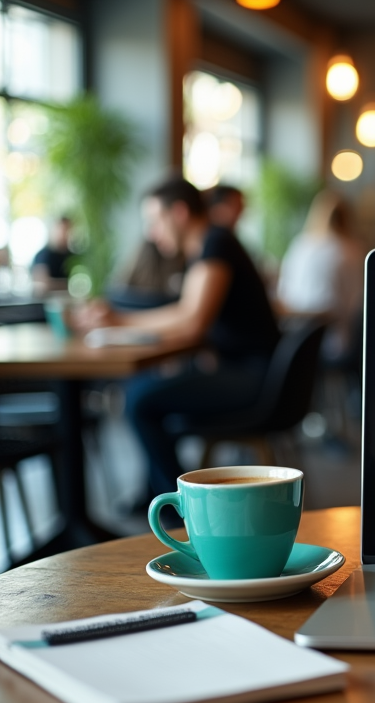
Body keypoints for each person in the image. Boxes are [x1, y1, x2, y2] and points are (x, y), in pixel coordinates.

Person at [74, 177, 280, 497]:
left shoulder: (216, 242)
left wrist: (119, 320)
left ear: (180, 213)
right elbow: (183, 311)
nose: (151, 233)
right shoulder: (208, 245)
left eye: (155, 220)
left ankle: (179, 508)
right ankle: (158, 491)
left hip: (255, 376)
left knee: (140, 400)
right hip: (245, 369)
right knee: (147, 392)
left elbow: (192, 319)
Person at [277, 191, 365, 362]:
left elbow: (284, 292)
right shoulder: (352, 251)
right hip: (335, 343)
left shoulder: (300, 244)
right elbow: (358, 302)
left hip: (294, 341)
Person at [31, 216, 73, 294]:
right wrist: (69, 285)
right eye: (62, 230)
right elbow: (42, 285)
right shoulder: (43, 255)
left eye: (67, 230)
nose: (64, 234)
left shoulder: (72, 257)